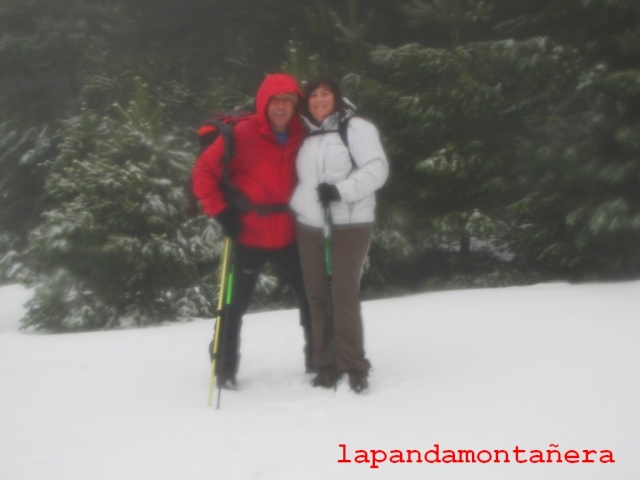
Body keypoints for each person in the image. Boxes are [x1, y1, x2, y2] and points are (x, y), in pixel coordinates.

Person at [192, 73, 313, 389]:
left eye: (288, 100)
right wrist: (221, 213)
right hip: (247, 236)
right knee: (233, 305)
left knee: (313, 298)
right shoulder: (242, 135)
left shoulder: (303, 133)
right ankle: (224, 369)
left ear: (296, 105)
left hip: (288, 237)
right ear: (263, 103)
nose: (281, 107)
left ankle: (319, 362)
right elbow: (203, 172)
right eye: (275, 100)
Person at [290, 76, 389, 393]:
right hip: (311, 224)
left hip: (349, 221)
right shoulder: (305, 134)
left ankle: (353, 364)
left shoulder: (355, 127)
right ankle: (325, 364)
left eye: (325, 94)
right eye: (313, 95)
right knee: (317, 294)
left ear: (336, 97)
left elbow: (377, 169)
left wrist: (340, 191)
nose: (319, 100)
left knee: (343, 292)